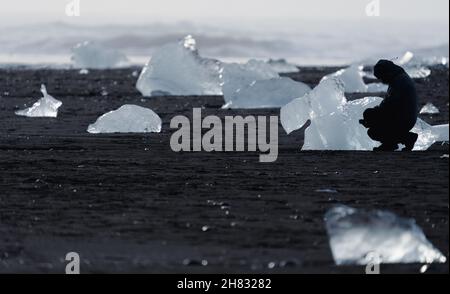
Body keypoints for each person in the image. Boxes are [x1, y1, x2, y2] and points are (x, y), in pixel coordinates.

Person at [359, 59, 419, 151]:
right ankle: (403, 139)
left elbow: (390, 106)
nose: (382, 80)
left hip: (403, 119)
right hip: (405, 117)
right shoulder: (399, 78)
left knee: (373, 130)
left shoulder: (399, 82)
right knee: (371, 117)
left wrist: (373, 117)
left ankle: (396, 141)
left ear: (386, 73)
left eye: (381, 77)